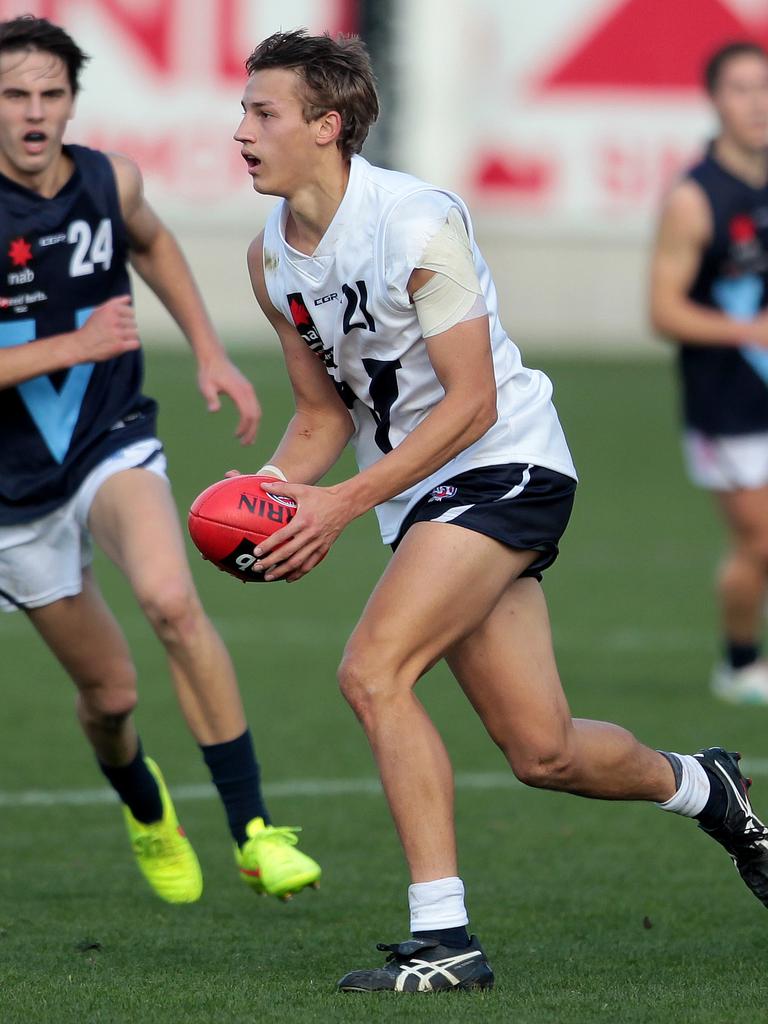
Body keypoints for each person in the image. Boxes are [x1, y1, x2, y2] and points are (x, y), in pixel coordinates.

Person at [236, 29, 768, 993]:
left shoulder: (416, 220)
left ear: (327, 124)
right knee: (543, 750)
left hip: (504, 464)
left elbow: (473, 401)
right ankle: (708, 787)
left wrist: (344, 505)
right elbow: (324, 414)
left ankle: (446, 940)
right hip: (424, 496)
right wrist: (265, 496)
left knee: (372, 672)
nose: (241, 131)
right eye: (244, 109)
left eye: (261, 112)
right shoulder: (271, 259)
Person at [0, 15, 320, 904]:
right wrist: (70, 344)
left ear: (71, 101)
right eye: (14, 94)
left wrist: (210, 350)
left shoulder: (108, 179)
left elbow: (153, 241)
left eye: (49, 94)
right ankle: (146, 810)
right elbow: (69, 337)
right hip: (13, 496)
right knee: (110, 697)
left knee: (174, 602)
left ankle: (255, 833)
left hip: (109, 441)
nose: (33, 113)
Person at [651, 42, 768, 705]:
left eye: (765, 87)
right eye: (743, 89)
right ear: (717, 100)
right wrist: (748, 330)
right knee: (760, 539)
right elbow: (662, 309)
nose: (758, 103)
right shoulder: (696, 198)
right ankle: (741, 662)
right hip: (725, 403)